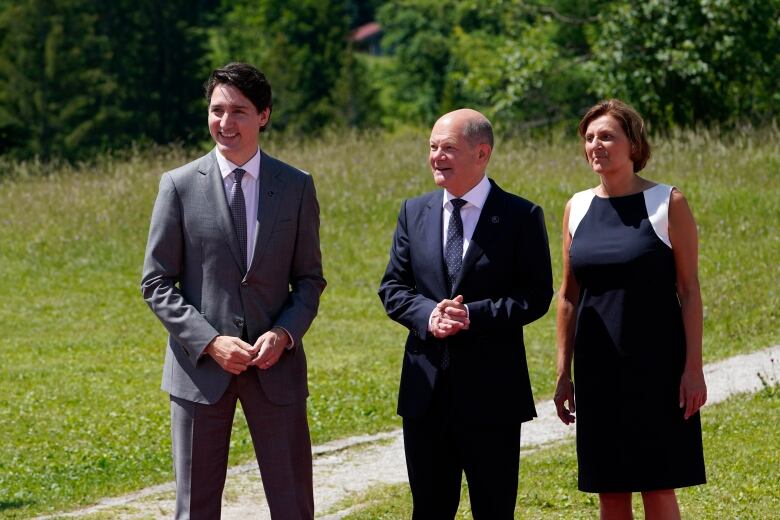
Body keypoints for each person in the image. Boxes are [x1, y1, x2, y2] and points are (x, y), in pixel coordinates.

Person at [141, 62, 325, 520]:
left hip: (276, 371)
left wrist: (283, 335)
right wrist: (210, 342)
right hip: (199, 373)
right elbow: (156, 282)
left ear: (263, 115)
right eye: (217, 110)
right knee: (195, 510)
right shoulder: (178, 186)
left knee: (293, 507)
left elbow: (309, 280)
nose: (225, 123)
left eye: (238, 111)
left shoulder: (297, 186)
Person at [378, 108, 553, 519]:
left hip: (492, 394)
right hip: (426, 393)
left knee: (493, 509)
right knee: (430, 509)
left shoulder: (521, 216)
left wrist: (473, 315)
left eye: (449, 148)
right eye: (433, 147)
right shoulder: (413, 211)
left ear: (482, 153)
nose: (437, 156)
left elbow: (535, 295)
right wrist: (428, 315)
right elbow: (393, 288)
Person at [554, 99, 707, 519]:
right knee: (610, 489)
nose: (596, 145)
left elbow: (689, 291)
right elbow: (568, 296)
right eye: (589, 138)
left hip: (658, 367)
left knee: (658, 487)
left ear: (633, 144)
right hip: (598, 370)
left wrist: (693, 368)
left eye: (607, 136)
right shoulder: (576, 207)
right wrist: (563, 373)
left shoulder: (667, 202)